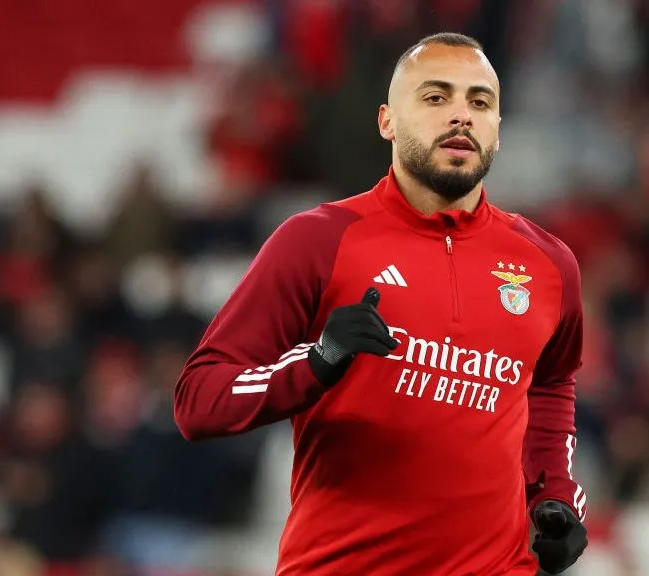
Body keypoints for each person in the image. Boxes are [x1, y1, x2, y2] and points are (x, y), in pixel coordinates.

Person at [173, 32, 588, 575]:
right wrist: (316, 362)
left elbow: (550, 383)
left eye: (479, 102)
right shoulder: (319, 241)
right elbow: (199, 399)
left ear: (498, 130)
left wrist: (552, 493)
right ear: (387, 120)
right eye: (436, 98)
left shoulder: (548, 264)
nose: (461, 116)